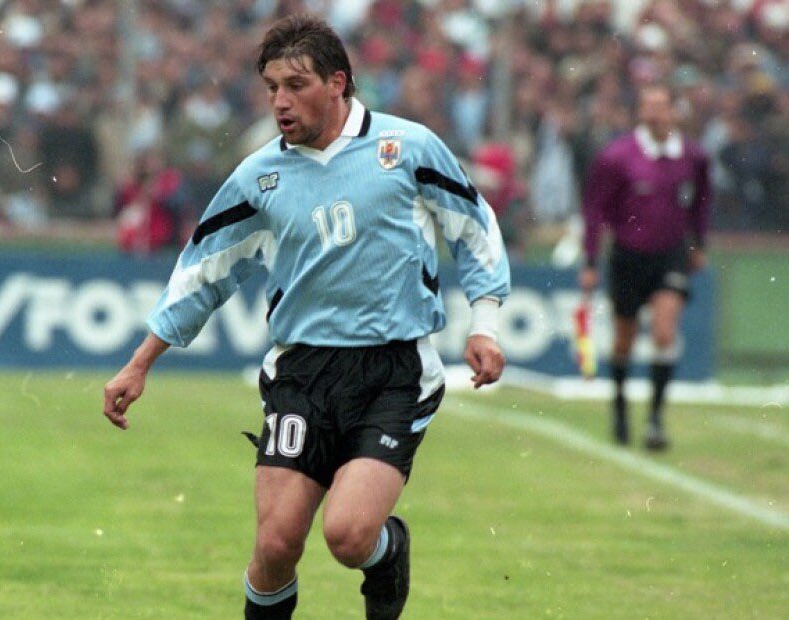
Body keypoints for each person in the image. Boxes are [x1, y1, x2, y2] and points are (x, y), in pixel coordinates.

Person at [103, 15, 510, 620]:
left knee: (347, 536)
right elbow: (202, 272)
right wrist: (140, 363)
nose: (280, 101)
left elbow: (473, 227)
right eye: (272, 87)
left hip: (393, 372)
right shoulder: (258, 176)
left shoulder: (407, 148)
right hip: (302, 374)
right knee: (274, 545)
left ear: (337, 83)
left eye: (295, 85)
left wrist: (485, 323)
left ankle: (387, 551)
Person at [579, 84, 711, 451]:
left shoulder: (693, 156)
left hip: (671, 254)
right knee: (624, 337)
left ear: (674, 111)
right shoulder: (616, 157)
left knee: (665, 332)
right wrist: (590, 259)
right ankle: (620, 406)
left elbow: (701, 199)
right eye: (647, 105)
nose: (653, 113)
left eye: (660, 105)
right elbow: (595, 209)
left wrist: (699, 242)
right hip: (628, 255)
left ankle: (655, 419)